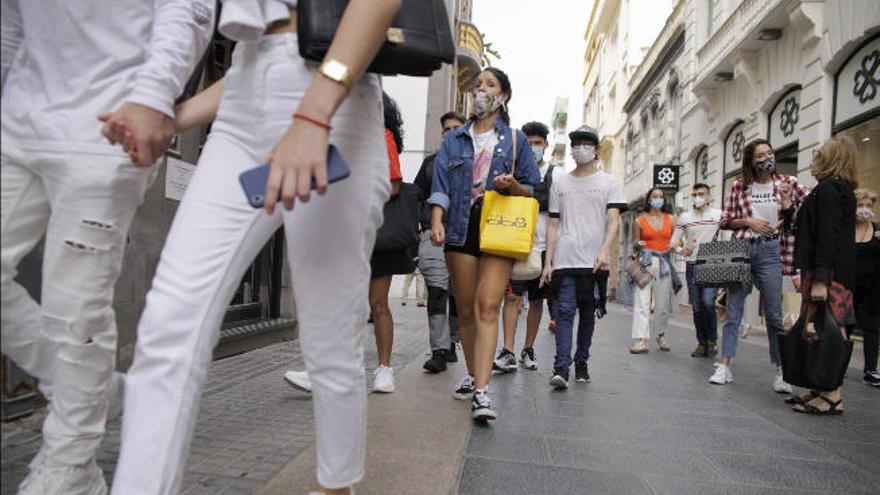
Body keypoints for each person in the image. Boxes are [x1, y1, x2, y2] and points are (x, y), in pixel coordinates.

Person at [111, 2, 402, 495]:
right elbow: (261, 56)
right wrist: (174, 117)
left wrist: (313, 116)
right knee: (169, 321)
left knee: (329, 334)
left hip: (338, 103)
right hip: (241, 106)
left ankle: (335, 487)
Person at [1, 1, 213, 492]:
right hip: (17, 124)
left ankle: (71, 462)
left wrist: (154, 95)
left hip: (111, 125)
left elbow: (188, 9)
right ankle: (93, 390)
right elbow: (12, 25)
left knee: (74, 307)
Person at [428, 67, 541, 421]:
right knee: (466, 310)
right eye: (477, 86)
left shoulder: (516, 140)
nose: (481, 91)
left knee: (488, 304)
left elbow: (532, 188)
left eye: (489, 86)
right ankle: (473, 372)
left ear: (503, 96)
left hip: (499, 225)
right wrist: (436, 220)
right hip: (459, 226)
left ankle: (481, 390)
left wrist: (513, 187)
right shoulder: (454, 139)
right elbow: (441, 184)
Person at [709, 138, 808, 393]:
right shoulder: (740, 187)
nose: (767, 158)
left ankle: (782, 370)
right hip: (742, 250)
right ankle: (724, 366)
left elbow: (807, 209)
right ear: (751, 162)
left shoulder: (788, 184)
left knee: (774, 314)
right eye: (760, 155)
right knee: (734, 311)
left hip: (771, 251)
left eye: (770, 153)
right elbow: (725, 220)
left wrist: (787, 210)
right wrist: (748, 222)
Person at [542, 125, 625, 388]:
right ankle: (561, 367)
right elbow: (553, 223)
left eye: (586, 144)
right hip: (565, 259)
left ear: (597, 150)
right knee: (564, 311)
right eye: (576, 143)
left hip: (594, 261)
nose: (580, 148)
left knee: (588, 314)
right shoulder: (560, 182)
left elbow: (614, 222)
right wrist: (548, 262)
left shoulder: (609, 183)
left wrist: (604, 251)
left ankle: (582, 361)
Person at [787, 137, 858, 414]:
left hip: (829, 274)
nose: (814, 158)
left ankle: (833, 393)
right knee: (822, 328)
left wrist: (820, 279)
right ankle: (822, 386)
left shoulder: (831, 189)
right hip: (828, 271)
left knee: (832, 329)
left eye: (819, 154)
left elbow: (828, 237)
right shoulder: (832, 189)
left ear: (830, 158)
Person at [494, 121, 558, 373]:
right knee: (511, 297)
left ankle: (527, 348)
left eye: (538, 143)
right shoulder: (514, 172)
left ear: (546, 145)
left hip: (542, 248)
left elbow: (555, 216)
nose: (534, 147)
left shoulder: (555, 175)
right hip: (515, 243)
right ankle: (508, 350)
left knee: (538, 300)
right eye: (529, 143)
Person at [366, 91, 414, 393]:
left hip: (374, 230)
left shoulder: (382, 136)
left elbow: (394, 186)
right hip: (345, 229)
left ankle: (384, 369)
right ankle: (325, 367)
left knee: (378, 303)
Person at [415, 111, 465, 373]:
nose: (451, 132)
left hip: (462, 236)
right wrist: (419, 227)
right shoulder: (429, 163)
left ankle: (452, 342)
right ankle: (439, 349)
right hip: (432, 236)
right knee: (436, 290)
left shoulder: (474, 161)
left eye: (456, 127)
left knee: (458, 294)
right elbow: (416, 197)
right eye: (446, 129)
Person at [671, 183, 722, 357]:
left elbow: (729, 235)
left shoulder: (718, 215)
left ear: (708, 196)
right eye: (694, 194)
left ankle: (712, 340)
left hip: (711, 263)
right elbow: (674, 241)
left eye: (701, 194)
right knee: (697, 306)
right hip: (692, 264)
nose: (697, 197)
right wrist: (680, 250)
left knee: (708, 302)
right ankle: (701, 342)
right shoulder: (685, 217)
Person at [629, 187, 681, 353]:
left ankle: (660, 333)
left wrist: (676, 245)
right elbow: (634, 243)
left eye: (661, 196)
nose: (658, 199)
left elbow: (679, 241)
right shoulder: (639, 221)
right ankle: (641, 340)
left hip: (664, 263)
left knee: (663, 304)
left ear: (664, 200)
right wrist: (639, 244)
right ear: (649, 199)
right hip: (644, 263)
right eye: (654, 196)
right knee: (641, 303)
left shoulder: (672, 219)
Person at [851, 188, 879, 386]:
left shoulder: (877, 231)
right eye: (860, 205)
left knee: (871, 326)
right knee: (845, 325)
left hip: (873, 286)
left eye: (868, 205)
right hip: (849, 286)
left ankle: (870, 369)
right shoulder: (845, 231)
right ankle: (838, 364)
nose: (865, 209)